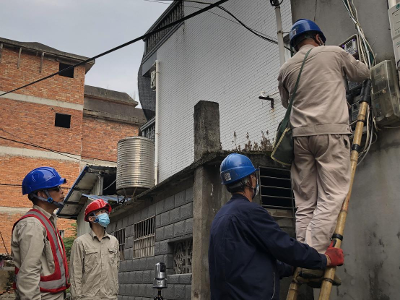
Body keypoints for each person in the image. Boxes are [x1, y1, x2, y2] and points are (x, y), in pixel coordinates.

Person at [277, 19, 370, 278]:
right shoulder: (334, 53)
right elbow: (363, 73)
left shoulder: (285, 68)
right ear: (318, 38)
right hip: (330, 132)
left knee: (305, 202)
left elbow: (286, 104)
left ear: (295, 44)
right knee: (333, 193)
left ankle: (302, 254)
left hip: (299, 139)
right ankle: (311, 258)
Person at [208, 153, 344, 300]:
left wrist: (291, 267)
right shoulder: (250, 212)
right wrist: (324, 259)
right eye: (254, 176)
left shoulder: (220, 217)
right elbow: (284, 246)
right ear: (249, 181)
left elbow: (248, 265)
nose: (256, 180)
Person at [12, 167, 69, 299]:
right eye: (56, 188)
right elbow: (28, 273)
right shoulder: (33, 225)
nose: (62, 191)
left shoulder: (48, 220)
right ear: (42, 194)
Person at [69, 199, 119, 300]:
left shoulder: (113, 241)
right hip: (88, 297)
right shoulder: (80, 242)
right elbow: (75, 274)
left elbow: (116, 269)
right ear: (91, 218)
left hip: (110, 297)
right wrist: (76, 297)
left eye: (106, 212)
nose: (105, 215)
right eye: (101, 212)